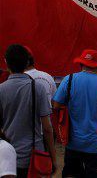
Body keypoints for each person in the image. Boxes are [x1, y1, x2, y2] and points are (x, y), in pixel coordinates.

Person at [0, 45, 56, 178]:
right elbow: (47, 128)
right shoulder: (38, 88)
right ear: (27, 63)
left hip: (8, 157)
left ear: (6, 62)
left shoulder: (1, 89)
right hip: (33, 156)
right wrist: (53, 158)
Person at [53, 49, 97, 177]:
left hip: (73, 141)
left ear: (81, 64)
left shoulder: (69, 79)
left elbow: (56, 105)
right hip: (96, 144)